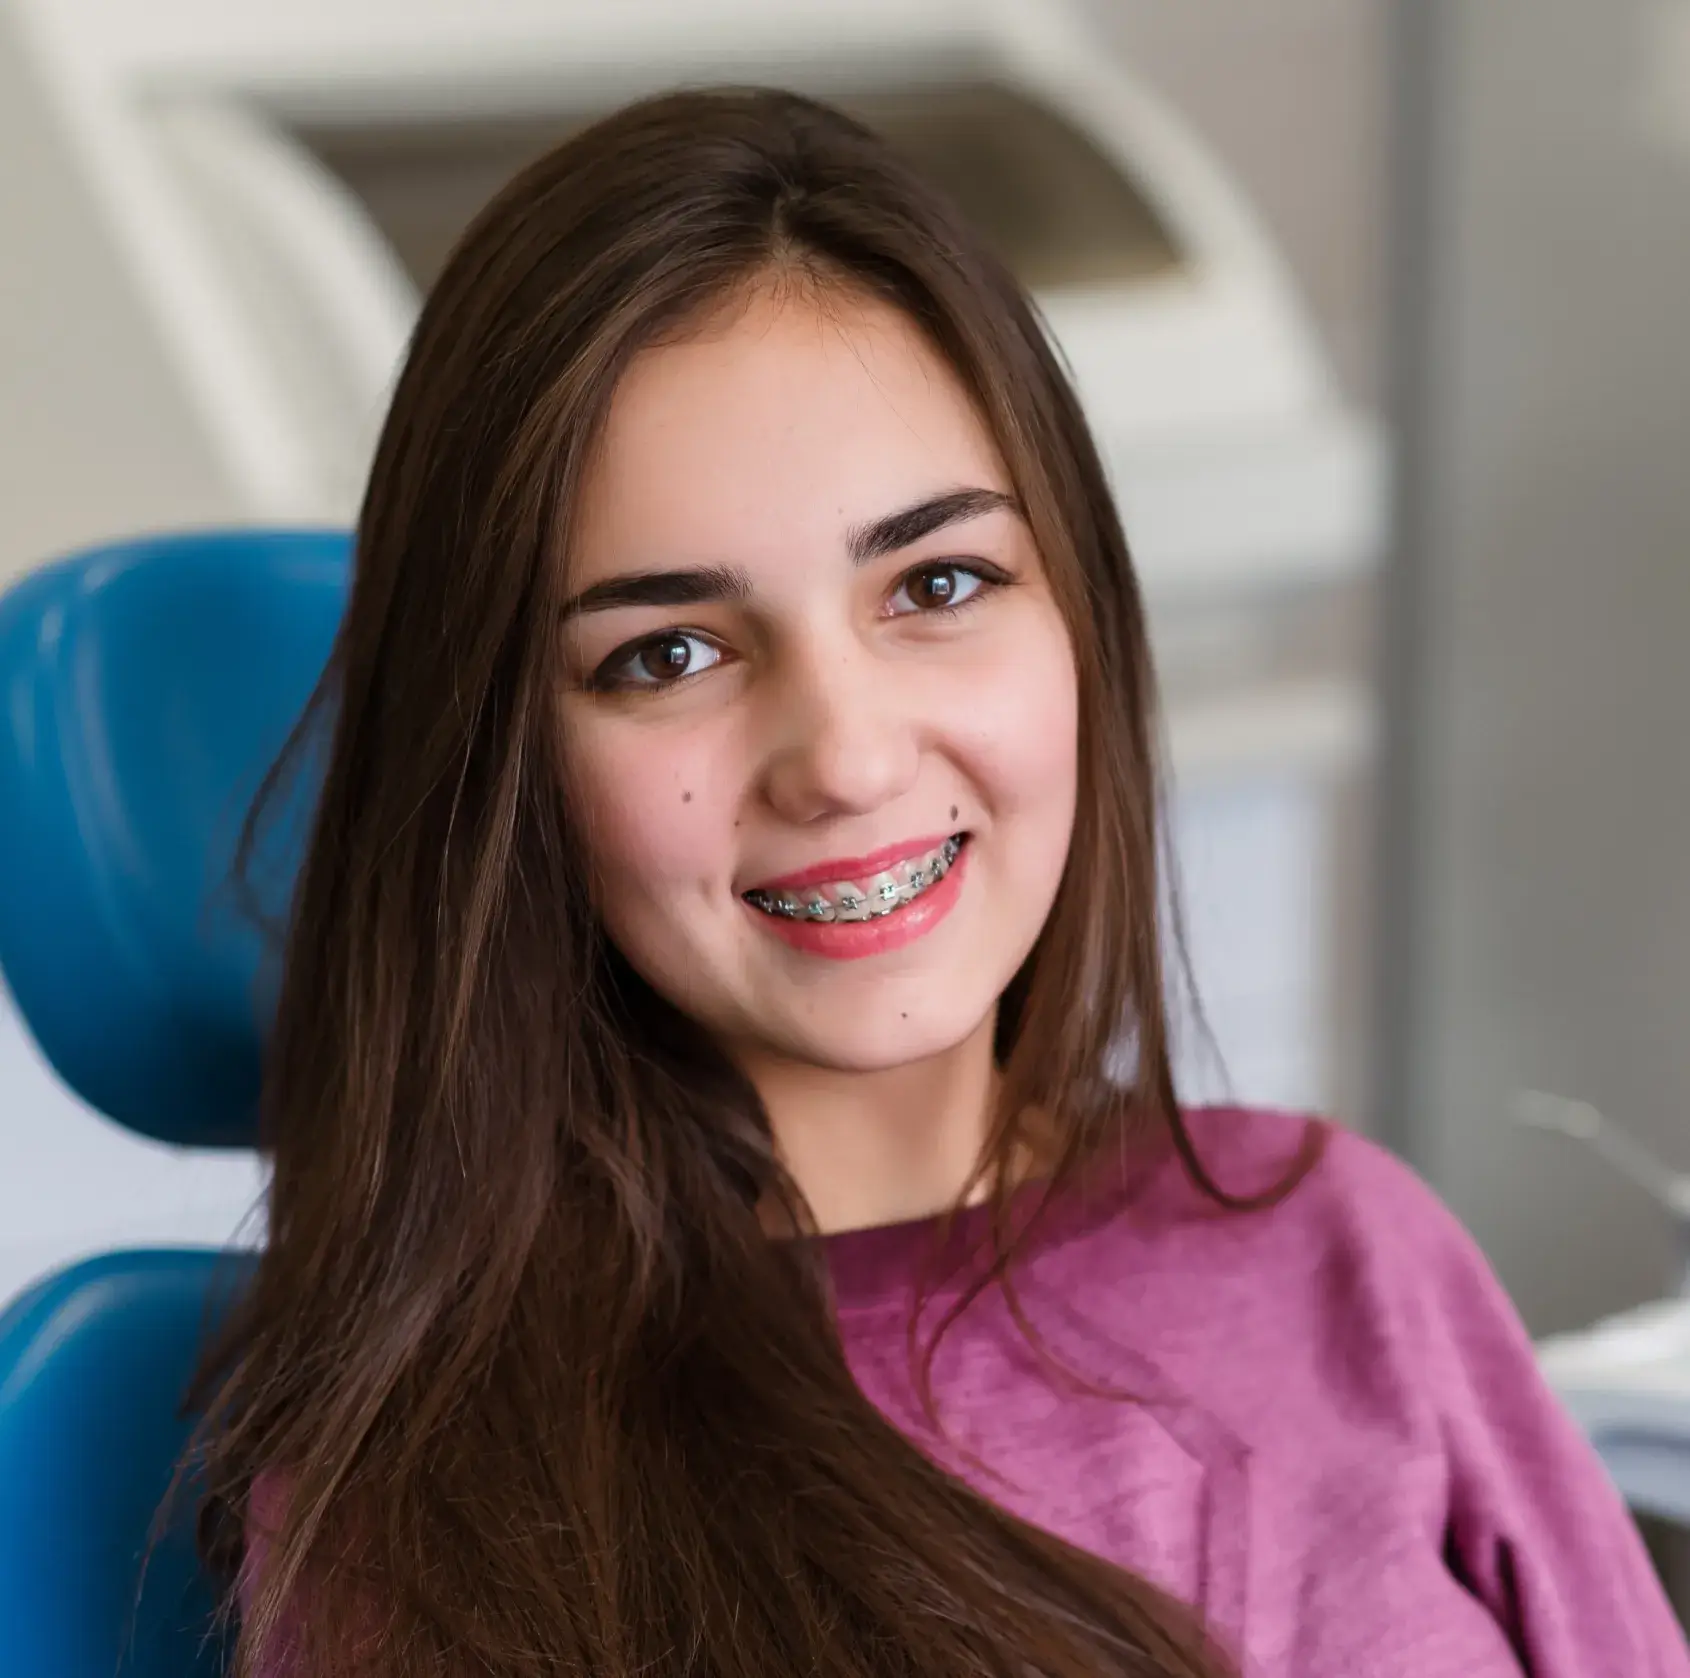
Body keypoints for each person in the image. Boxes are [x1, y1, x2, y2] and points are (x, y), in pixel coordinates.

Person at [187, 88, 1690, 1678]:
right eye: (669, 652)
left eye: (939, 581)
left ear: (1079, 618)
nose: (841, 754)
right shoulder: (439, 1502)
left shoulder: (1342, 1244)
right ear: (508, 768)